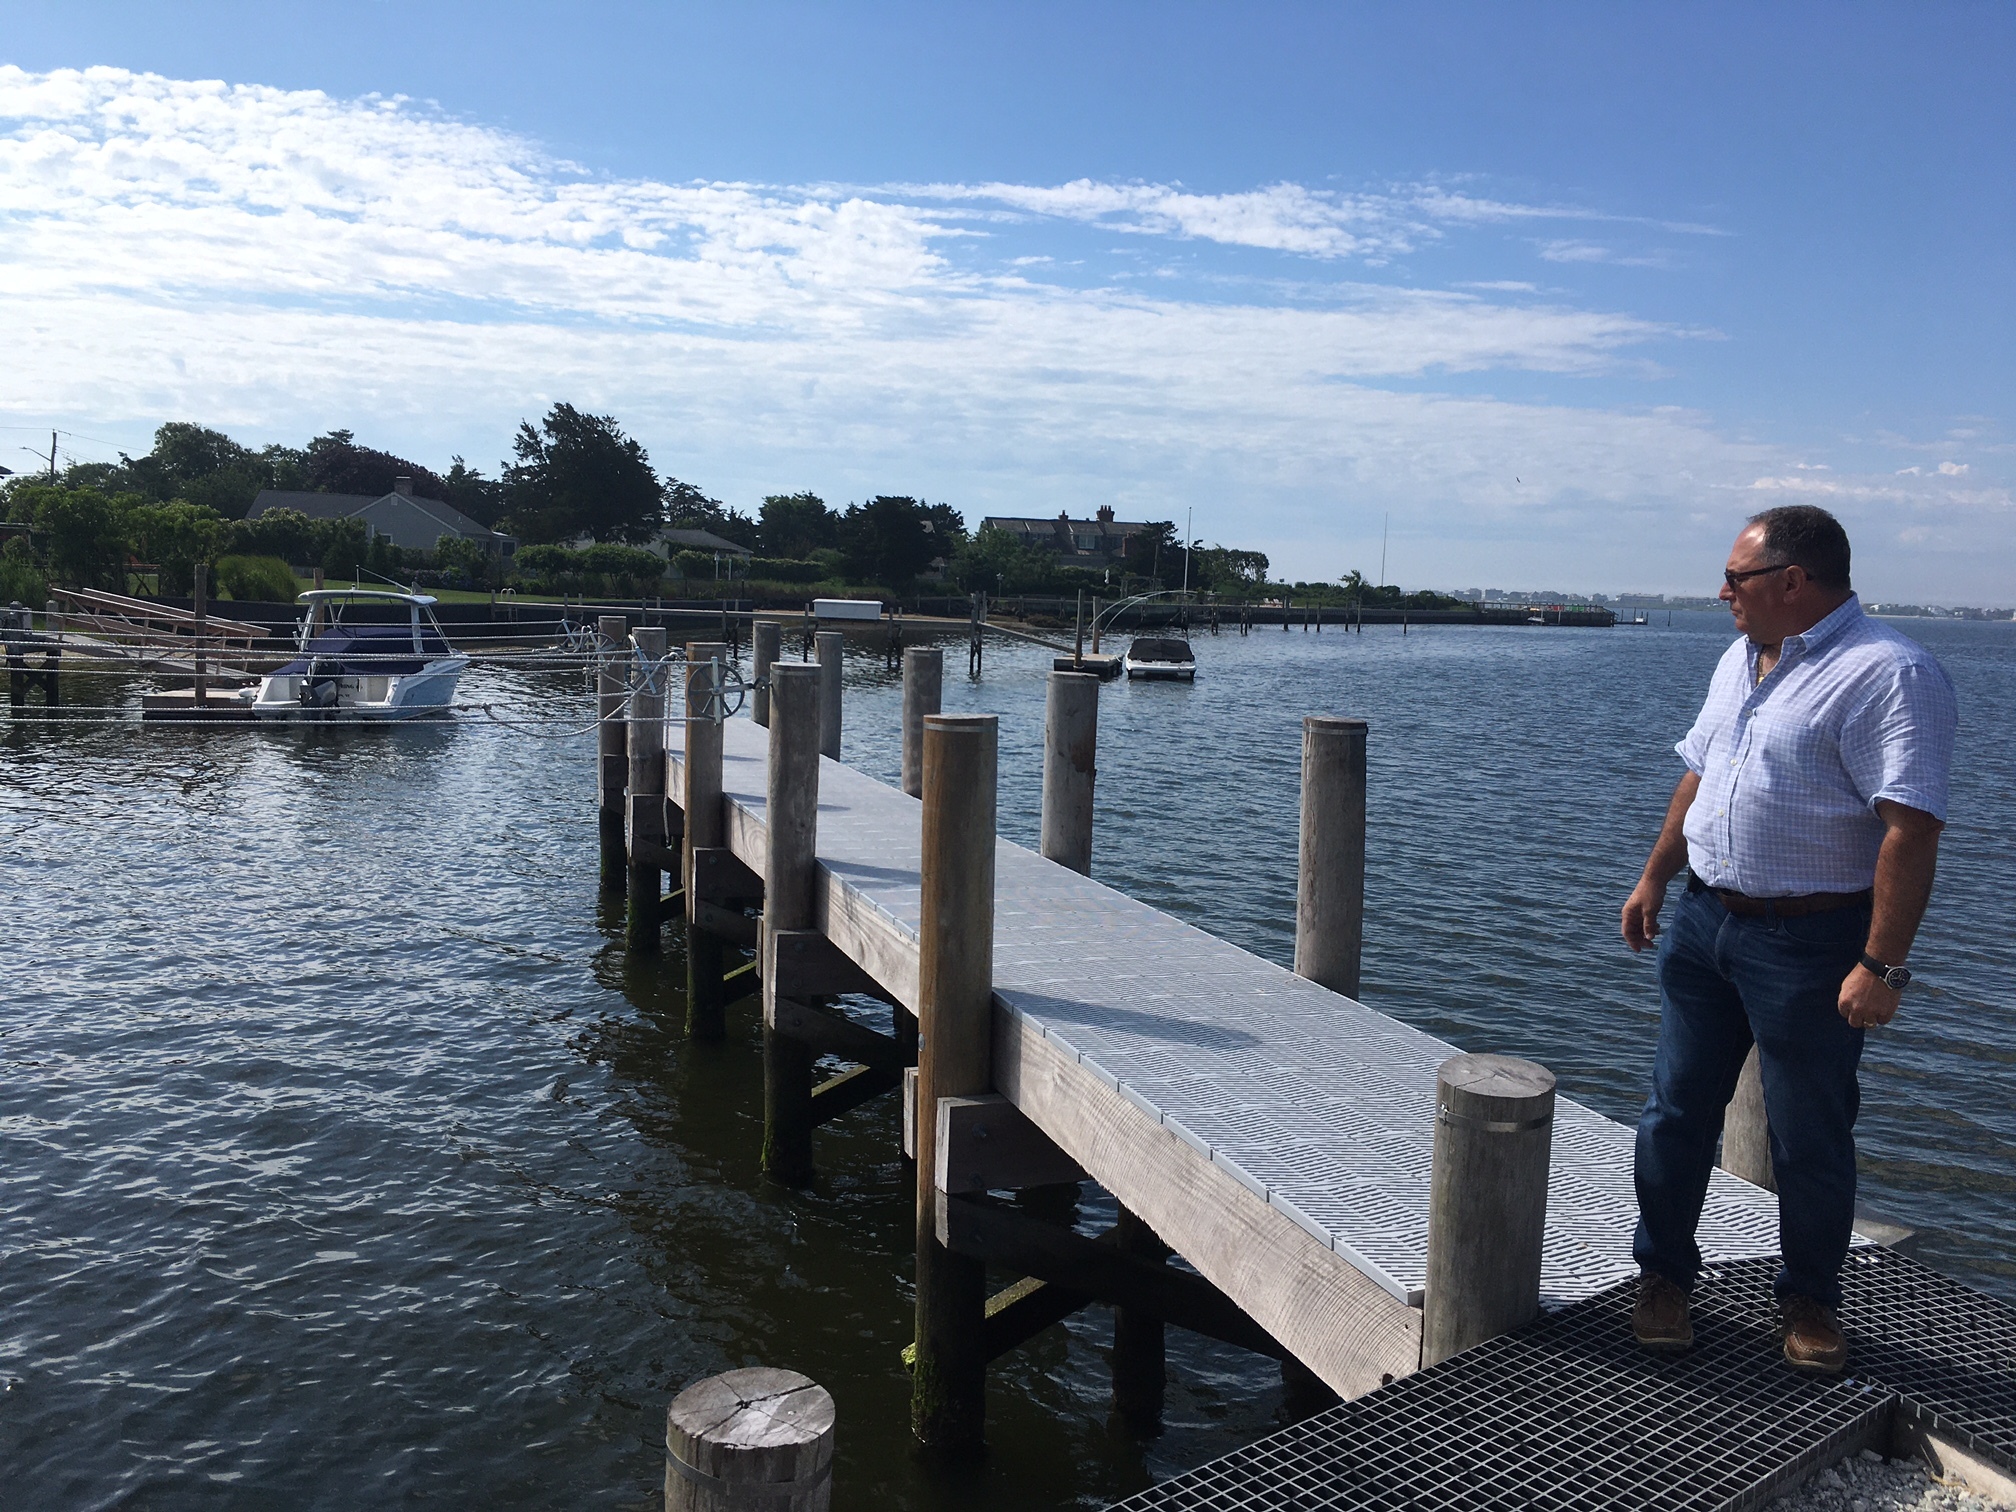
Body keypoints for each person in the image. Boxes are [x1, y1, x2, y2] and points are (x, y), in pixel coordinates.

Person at [1619, 504, 1955, 1374]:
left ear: (1793, 582)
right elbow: (1699, 775)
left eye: (1735, 578)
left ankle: (1809, 1300)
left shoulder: (1890, 674)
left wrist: (1881, 965)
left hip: (1811, 942)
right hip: (1704, 922)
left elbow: (1910, 831)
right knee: (1673, 1114)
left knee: (1809, 1134)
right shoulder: (1741, 657)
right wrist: (1656, 876)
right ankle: (1663, 1278)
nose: (1721, 592)